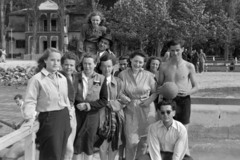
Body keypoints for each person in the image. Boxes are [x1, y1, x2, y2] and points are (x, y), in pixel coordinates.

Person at [22, 48, 71, 160]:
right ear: (45, 60)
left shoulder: (62, 78)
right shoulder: (36, 80)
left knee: (61, 155)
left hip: (64, 118)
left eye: (58, 60)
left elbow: (66, 100)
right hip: (49, 119)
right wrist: (29, 118)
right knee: (50, 155)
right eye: (53, 60)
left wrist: (70, 116)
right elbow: (30, 101)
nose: (56, 63)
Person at [118, 51, 158, 160]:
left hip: (146, 108)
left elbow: (155, 92)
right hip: (130, 109)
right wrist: (123, 97)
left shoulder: (149, 75)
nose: (137, 64)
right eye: (135, 61)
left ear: (144, 63)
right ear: (130, 60)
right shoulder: (123, 74)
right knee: (131, 142)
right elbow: (119, 92)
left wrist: (149, 100)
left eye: (140, 62)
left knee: (144, 142)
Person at [157, 39, 199, 130]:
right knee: (166, 129)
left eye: (177, 50)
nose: (175, 53)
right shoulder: (163, 66)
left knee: (183, 130)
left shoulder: (189, 66)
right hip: (167, 100)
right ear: (169, 50)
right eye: (172, 50)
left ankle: (182, 145)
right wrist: (161, 89)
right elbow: (159, 85)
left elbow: (196, 87)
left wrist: (188, 92)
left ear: (183, 49)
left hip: (183, 100)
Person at [73, 53, 108, 160]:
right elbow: (70, 96)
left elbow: (104, 100)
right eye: (85, 63)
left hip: (92, 115)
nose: (87, 66)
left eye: (89, 64)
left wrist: (88, 105)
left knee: (89, 142)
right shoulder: (74, 76)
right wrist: (77, 104)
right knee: (77, 142)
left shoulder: (101, 78)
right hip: (77, 114)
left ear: (95, 64)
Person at [95, 54, 125, 160]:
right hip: (101, 116)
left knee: (115, 144)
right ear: (100, 67)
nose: (106, 69)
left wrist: (109, 103)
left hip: (116, 116)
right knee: (103, 145)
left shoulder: (119, 82)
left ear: (113, 67)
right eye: (103, 66)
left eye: (109, 66)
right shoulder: (96, 80)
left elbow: (123, 100)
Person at [60, 52, 79, 160]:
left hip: (73, 113)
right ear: (62, 65)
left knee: (70, 145)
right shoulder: (57, 76)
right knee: (68, 149)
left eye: (71, 65)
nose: (69, 67)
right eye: (66, 64)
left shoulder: (76, 77)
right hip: (62, 113)